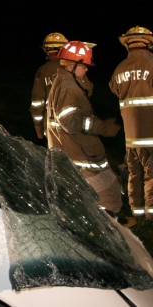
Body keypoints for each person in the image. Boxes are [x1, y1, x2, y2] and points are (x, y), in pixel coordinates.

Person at [46, 40, 123, 216]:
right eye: (85, 66)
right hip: (81, 157)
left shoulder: (67, 83)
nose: (87, 70)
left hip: (80, 153)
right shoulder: (68, 88)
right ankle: (107, 233)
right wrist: (102, 127)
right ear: (73, 66)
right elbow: (71, 122)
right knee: (107, 198)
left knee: (106, 193)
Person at [109, 26, 153, 220]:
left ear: (128, 44)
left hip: (131, 135)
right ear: (148, 43)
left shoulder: (119, 68)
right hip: (151, 132)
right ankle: (151, 216)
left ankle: (137, 211)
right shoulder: (152, 63)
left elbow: (114, 89)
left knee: (134, 173)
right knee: (151, 175)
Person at [30, 32, 68, 142]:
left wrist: (38, 127)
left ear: (46, 49)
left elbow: (37, 102)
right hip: (75, 124)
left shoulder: (43, 71)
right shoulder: (73, 67)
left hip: (52, 127)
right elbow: (88, 91)